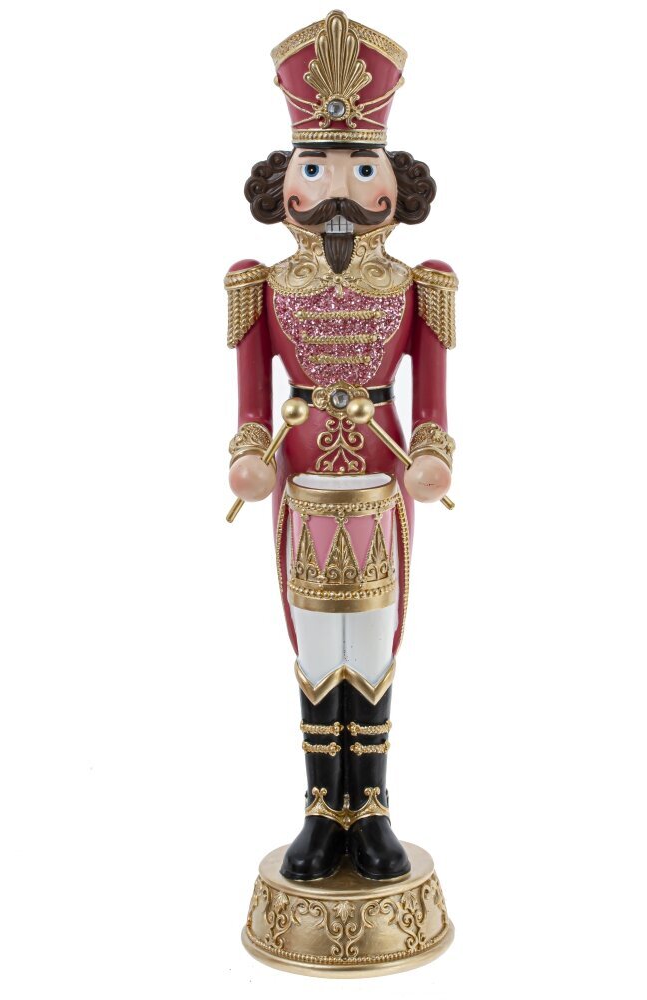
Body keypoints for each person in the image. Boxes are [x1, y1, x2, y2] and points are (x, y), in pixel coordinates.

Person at [225, 10, 457, 882]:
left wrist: (432, 456)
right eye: (316, 166)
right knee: (320, 649)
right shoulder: (259, 285)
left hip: (383, 487)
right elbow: (252, 407)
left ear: (394, 181)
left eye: (362, 168)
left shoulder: (421, 286)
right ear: (284, 181)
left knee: (379, 640)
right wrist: (249, 455)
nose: (339, 190)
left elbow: (431, 407)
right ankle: (324, 812)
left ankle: (376, 810)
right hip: (303, 488)